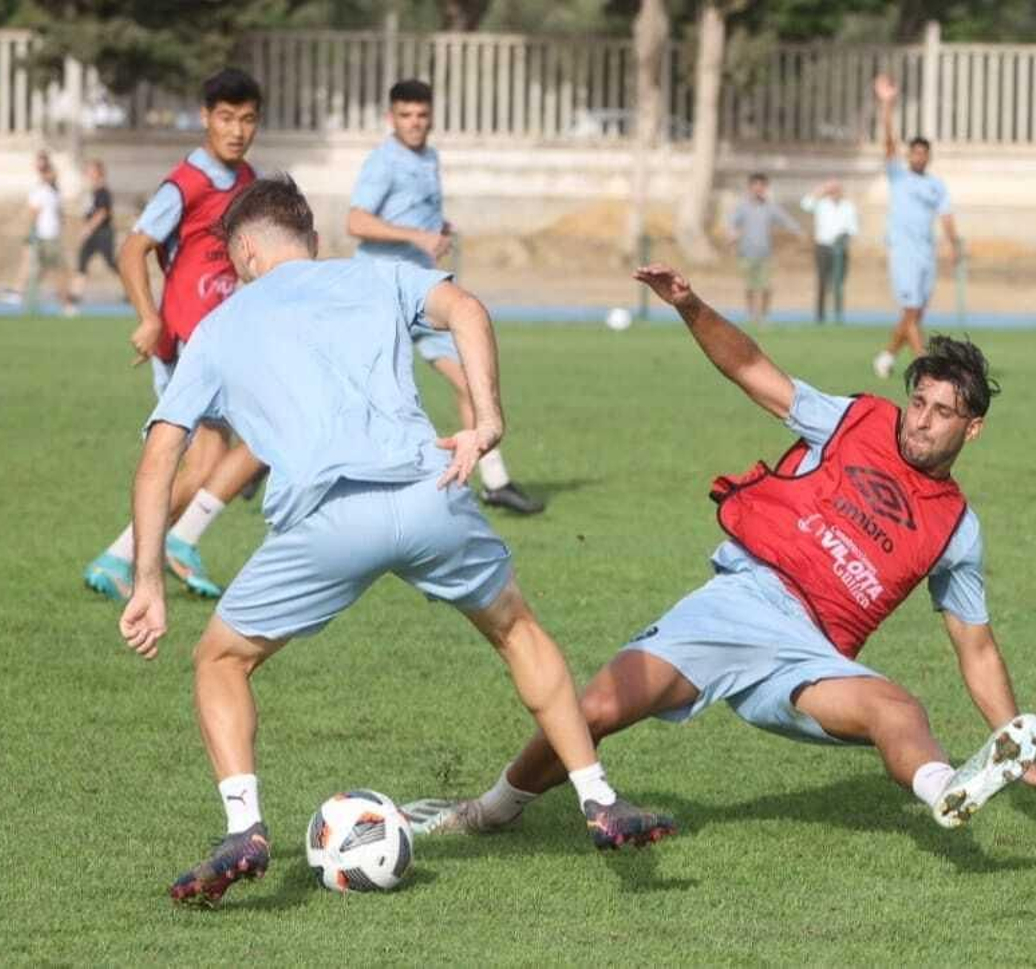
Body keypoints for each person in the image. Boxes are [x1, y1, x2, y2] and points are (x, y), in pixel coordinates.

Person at [118, 175, 675, 906]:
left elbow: (161, 456)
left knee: (220, 658)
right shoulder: (376, 274)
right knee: (516, 629)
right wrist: (488, 420)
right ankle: (599, 798)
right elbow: (467, 308)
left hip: (327, 522)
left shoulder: (222, 324)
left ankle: (244, 829)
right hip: (429, 494)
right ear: (312, 241)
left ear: (245, 251)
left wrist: (149, 581)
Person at [411, 265, 1036, 839]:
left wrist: (1015, 743)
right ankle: (490, 812)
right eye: (918, 402)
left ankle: (949, 787)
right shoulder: (853, 418)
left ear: (972, 429)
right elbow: (751, 369)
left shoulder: (957, 527)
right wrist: (691, 307)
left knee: (899, 710)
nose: (921, 420)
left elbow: (975, 647)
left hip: (810, 655)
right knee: (594, 708)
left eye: (942, 412)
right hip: (739, 603)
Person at [84, 68, 269, 603]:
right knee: (259, 436)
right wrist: (148, 316)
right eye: (227, 118)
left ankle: (126, 556)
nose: (237, 130)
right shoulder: (185, 183)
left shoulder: (248, 180)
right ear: (207, 117)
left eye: (248, 119)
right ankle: (171, 544)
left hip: (222, 335)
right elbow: (132, 249)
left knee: (211, 459)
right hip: (191, 336)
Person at [347, 78, 544, 516]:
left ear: (431, 115)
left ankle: (495, 481)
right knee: (357, 394)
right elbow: (356, 221)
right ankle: (266, 460)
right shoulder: (384, 162)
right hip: (381, 296)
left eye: (421, 115)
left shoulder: (430, 157)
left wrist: (439, 229)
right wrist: (417, 236)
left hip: (425, 297)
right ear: (390, 118)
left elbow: (417, 213)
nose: (415, 123)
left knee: (470, 381)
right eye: (405, 116)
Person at [871, 74, 963, 381]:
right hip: (903, 251)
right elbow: (887, 142)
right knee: (910, 309)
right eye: (915, 152)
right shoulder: (899, 176)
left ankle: (886, 357)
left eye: (924, 153)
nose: (919, 157)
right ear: (910, 155)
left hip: (926, 253)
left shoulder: (936, 185)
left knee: (916, 312)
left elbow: (946, 216)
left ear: (928, 157)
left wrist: (954, 245)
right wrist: (886, 106)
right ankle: (925, 365)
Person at [727, 173, 803, 327]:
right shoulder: (743, 207)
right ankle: (750, 315)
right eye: (755, 186)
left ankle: (764, 316)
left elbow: (786, 220)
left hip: (765, 254)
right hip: (746, 253)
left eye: (762, 186)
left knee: (766, 286)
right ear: (750, 188)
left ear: (765, 188)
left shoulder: (770, 207)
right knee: (749, 286)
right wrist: (732, 235)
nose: (758, 189)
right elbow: (731, 223)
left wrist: (799, 231)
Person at [2, 150, 74, 315]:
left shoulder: (49, 191)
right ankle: (22, 294)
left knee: (49, 271)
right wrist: (31, 232)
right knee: (48, 269)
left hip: (49, 236)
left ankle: (22, 294)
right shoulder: (45, 191)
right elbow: (39, 213)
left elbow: (47, 213)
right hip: (46, 236)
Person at [800, 180, 860, 324]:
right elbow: (805, 204)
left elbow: (853, 228)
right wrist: (820, 190)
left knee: (838, 283)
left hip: (840, 248)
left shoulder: (848, 206)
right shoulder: (822, 204)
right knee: (822, 282)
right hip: (823, 247)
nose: (834, 193)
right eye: (831, 190)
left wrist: (843, 237)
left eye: (836, 190)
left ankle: (838, 315)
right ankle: (820, 316)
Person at [68, 159, 119, 305]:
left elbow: (102, 213)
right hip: (92, 234)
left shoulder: (103, 191)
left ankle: (130, 288)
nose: (88, 173)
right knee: (82, 261)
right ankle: (75, 294)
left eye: (91, 170)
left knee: (111, 262)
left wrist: (88, 228)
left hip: (103, 233)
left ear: (98, 173)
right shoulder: (92, 191)